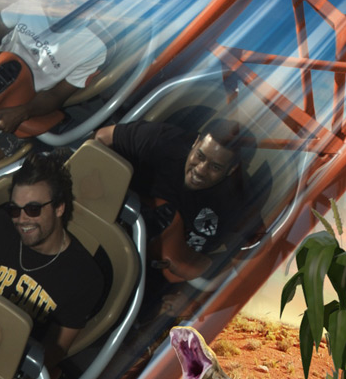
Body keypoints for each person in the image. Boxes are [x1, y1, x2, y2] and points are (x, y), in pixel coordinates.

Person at [0, 151, 104, 379]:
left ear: (59, 208)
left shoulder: (84, 276)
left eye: (33, 209)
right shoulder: (0, 225)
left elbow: (55, 349)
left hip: (11, 366)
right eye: (15, 209)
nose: (22, 219)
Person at [0, 0, 107, 156]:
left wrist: (22, 112)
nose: (55, 4)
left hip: (14, 107)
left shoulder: (94, 47)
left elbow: (56, 95)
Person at [94, 119, 247, 284]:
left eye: (215, 167)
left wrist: (188, 290)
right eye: (200, 156)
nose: (200, 170)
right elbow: (100, 139)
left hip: (160, 281)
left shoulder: (234, 203)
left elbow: (246, 257)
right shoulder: (161, 141)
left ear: (231, 170)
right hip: (106, 235)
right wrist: (111, 198)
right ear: (196, 142)